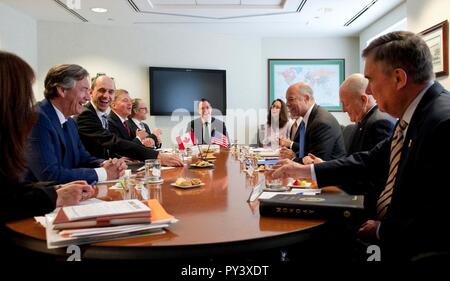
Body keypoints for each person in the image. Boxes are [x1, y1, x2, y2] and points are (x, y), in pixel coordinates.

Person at [271, 31, 450, 262]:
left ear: (399, 78)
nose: (367, 91)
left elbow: (437, 217)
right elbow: (369, 160)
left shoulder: (443, 122)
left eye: (371, 80)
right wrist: (304, 171)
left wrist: (381, 231)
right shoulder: (415, 114)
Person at [0, 51, 95, 224]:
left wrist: (57, 190)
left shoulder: (70, 122)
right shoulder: (38, 118)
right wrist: (55, 195)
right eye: (25, 90)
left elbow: (11, 188)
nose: (29, 100)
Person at [303, 73, 396, 216]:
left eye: (345, 103)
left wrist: (324, 172)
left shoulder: (378, 123)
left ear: (364, 100)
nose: (343, 109)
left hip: (364, 207)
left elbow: (371, 176)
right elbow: (354, 162)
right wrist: (324, 165)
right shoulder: (365, 121)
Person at [23, 64, 126, 184]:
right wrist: (104, 173)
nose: (88, 97)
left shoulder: (70, 122)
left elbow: (82, 157)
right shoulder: (37, 118)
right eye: (84, 90)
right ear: (62, 90)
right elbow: (49, 174)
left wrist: (106, 164)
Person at [76, 75, 182, 166]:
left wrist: (116, 160)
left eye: (111, 92)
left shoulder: (101, 115)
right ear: (90, 93)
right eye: (102, 90)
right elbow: (113, 142)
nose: (106, 96)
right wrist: (157, 156)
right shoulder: (86, 114)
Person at [278, 82, 346, 163]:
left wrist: (293, 159)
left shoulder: (321, 123)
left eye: (291, 99)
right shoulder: (306, 120)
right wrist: (294, 155)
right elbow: (306, 152)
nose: (287, 104)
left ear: (306, 98)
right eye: (286, 100)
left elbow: (315, 162)